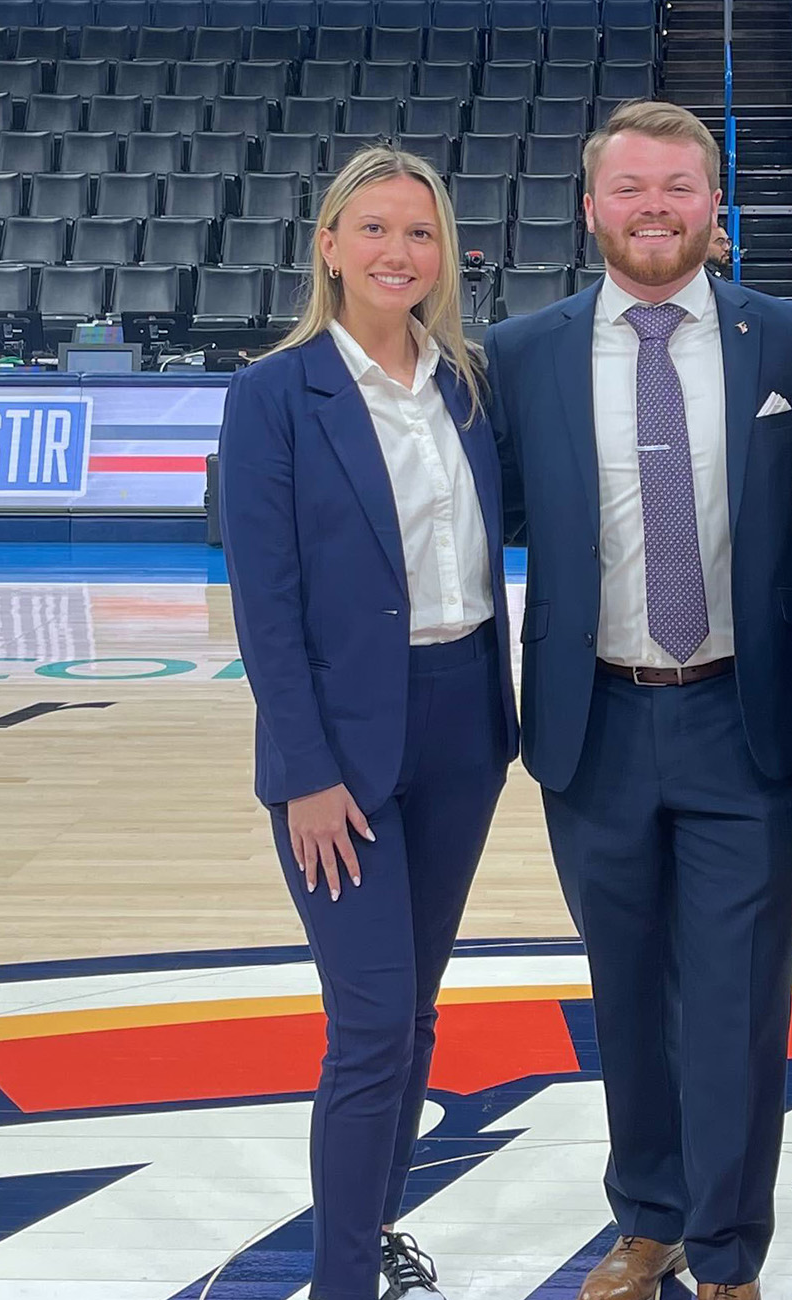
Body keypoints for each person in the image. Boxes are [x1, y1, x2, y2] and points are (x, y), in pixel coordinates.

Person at [485, 100, 792, 1300]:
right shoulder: (520, 354)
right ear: (591, 209)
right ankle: (650, 1220)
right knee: (624, 991)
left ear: (714, 204)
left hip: (746, 721)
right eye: (630, 188)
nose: (654, 209)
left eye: (678, 186)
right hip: (597, 723)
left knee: (736, 1002)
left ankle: (730, 1253)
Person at [216, 145, 518, 1300]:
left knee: (415, 1009)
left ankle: (377, 1231)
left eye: (422, 233)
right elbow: (266, 601)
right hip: (340, 749)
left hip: (460, 730)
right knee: (373, 1019)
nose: (400, 252)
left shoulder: (468, 385)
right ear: (330, 247)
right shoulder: (273, 394)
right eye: (377, 230)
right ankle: (341, 1276)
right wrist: (301, 770)